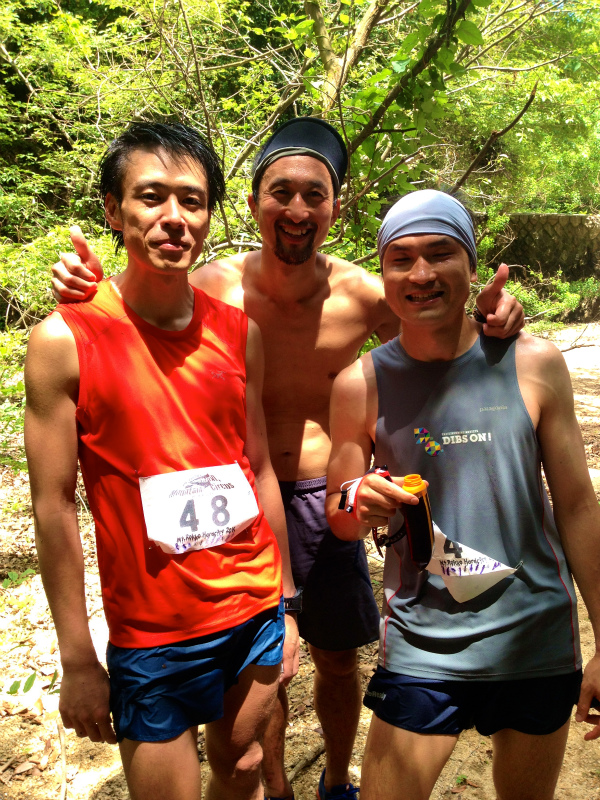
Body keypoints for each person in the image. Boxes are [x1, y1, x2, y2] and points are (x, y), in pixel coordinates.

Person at [50, 119, 525, 800]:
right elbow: (129, 317)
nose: (297, 210)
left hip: (323, 497)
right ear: (252, 204)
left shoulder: (365, 295)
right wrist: (81, 283)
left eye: (315, 194)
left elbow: (439, 344)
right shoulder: (208, 286)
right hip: (233, 510)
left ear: (336, 206)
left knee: (334, 659)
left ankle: (336, 778)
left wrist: (496, 317)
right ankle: (274, 786)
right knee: (260, 681)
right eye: (281, 193)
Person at [25, 121, 300, 800]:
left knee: (239, 774)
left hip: (253, 610)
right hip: (153, 636)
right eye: (152, 197)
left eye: (194, 200)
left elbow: (258, 468)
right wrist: (78, 657)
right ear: (114, 212)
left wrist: (286, 604)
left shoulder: (241, 334)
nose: (175, 219)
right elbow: (54, 505)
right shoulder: (65, 340)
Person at [325, 189, 600, 800]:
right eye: (401, 259)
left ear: (473, 269)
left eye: (441, 254)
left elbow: (578, 505)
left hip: (534, 636)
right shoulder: (359, 384)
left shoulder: (534, 363)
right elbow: (339, 512)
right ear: (384, 276)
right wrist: (358, 499)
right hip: (422, 642)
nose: (421, 274)